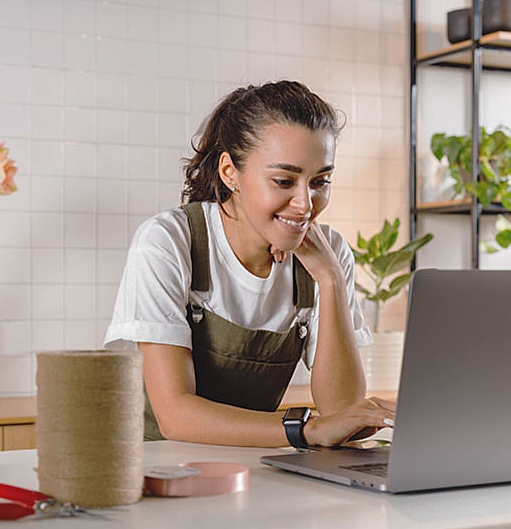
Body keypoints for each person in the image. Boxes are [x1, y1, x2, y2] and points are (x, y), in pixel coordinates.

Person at [104, 80, 395, 447]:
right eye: (284, 180)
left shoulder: (329, 254)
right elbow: (174, 416)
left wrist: (330, 278)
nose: (305, 204)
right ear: (230, 172)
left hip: (251, 468)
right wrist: (305, 430)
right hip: (152, 469)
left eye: (320, 181)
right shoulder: (169, 241)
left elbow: (342, 410)